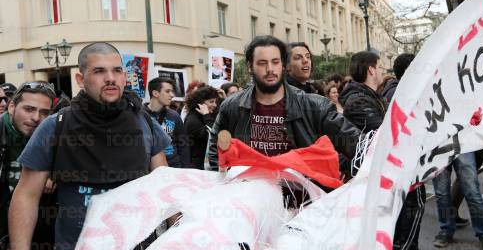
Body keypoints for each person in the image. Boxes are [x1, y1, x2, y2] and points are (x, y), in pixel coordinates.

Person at [8, 43, 170, 250]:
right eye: (99, 71)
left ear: (125, 76)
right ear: (81, 79)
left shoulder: (145, 123)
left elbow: (165, 188)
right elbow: (26, 195)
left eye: (117, 70)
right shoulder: (54, 126)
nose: (110, 78)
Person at [339, 51, 439, 250]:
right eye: (380, 66)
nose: (384, 70)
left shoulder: (371, 96)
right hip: (372, 169)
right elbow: (385, 131)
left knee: (399, 209)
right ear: (371, 69)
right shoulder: (358, 101)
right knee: (410, 204)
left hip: (382, 167)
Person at [207, 36, 360, 178]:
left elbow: (358, 145)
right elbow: (216, 148)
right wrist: (224, 183)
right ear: (250, 66)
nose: (270, 69)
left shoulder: (315, 106)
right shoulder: (232, 106)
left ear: (283, 65)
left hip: (302, 202)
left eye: (275, 62)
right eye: (262, 63)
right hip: (249, 200)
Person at [0, 82, 55, 250]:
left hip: (34, 245)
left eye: (44, 112)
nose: (36, 118)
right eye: (29, 109)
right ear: (12, 106)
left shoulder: (52, 140)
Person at [432, 152, 483, 250]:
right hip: (438, 145)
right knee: (441, 192)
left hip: (462, 144)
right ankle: (446, 229)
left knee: (472, 191)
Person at [145, 77, 191, 168]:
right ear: (155, 93)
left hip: (174, 167)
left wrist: (184, 168)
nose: (172, 95)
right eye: (167, 91)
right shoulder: (141, 115)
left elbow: (183, 144)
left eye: (172, 91)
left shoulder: (174, 115)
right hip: (150, 168)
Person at [184, 87, 219, 170]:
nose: (215, 105)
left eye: (215, 101)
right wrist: (206, 115)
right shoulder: (193, 120)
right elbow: (213, 137)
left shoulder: (201, 116)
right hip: (197, 168)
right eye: (211, 102)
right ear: (200, 103)